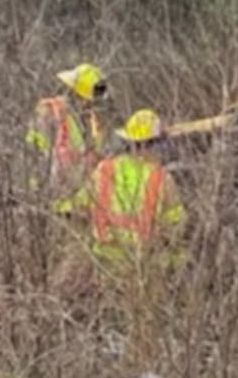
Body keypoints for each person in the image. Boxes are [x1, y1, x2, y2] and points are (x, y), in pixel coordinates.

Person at [79, 108, 186, 268]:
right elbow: (176, 227)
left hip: (103, 262)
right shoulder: (161, 179)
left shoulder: (104, 169)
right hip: (143, 264)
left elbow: (81, 206)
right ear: (154, 145)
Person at [25, 63, 107, 216]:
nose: (93, 104)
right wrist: (36, 193)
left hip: (79, 207)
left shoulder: (92, 122)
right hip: (52, 203)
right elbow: (33, 156)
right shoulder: (50, 113)